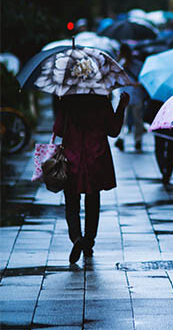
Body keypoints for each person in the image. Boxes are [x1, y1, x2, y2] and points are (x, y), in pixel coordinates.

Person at [53, 92, 129, 263]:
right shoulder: (102, 100)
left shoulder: (67, 99)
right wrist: (121, 107)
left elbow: (58, 129)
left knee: (71, 203)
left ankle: (76, 238)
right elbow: (114, 130)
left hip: (72, 158)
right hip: (96, 157)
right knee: (93, 200)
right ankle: (88, 242)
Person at [114, 43, 146, 152]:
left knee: (137, 119)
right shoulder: (119, 65)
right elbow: (116, 79)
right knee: (123, 119)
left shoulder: (137, 64)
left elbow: (143, 78)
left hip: (134, 95)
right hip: (125, 95)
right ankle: (122, 139)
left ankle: (138, 140)